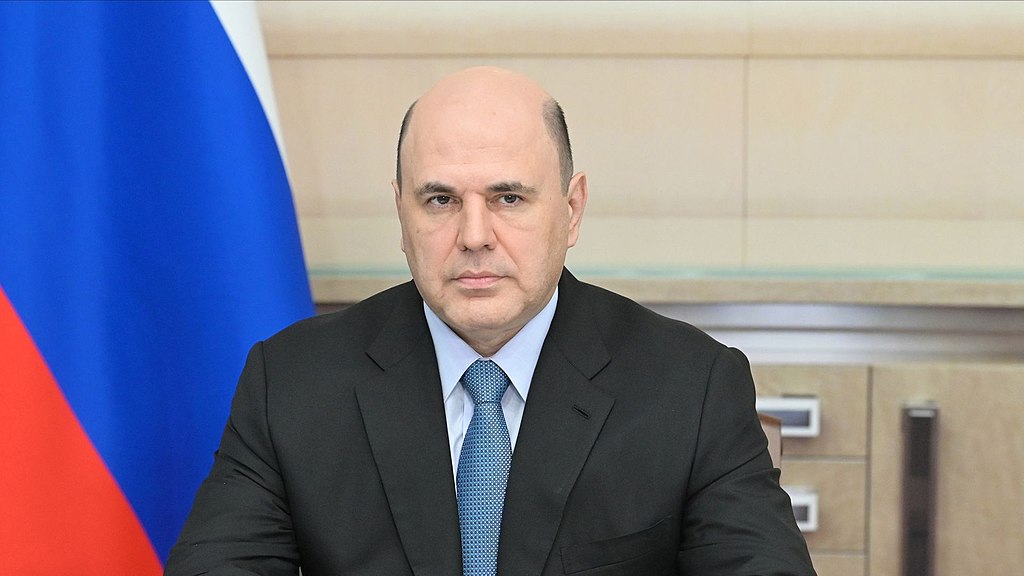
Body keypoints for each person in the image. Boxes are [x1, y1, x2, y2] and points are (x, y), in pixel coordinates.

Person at [166, 66, 816, 576]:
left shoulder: (692, 387)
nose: (474, 235)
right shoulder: (291, 383)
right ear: (401, 214)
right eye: (440, 199)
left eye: (508, 197)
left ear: (572, 209)